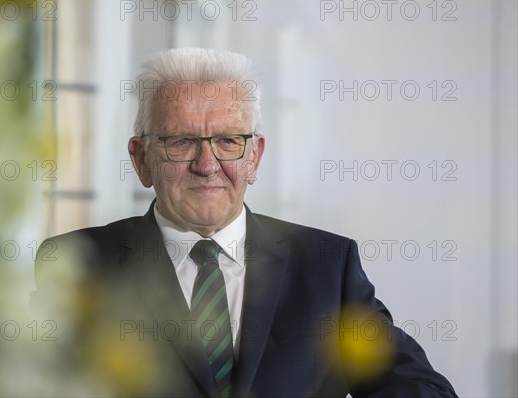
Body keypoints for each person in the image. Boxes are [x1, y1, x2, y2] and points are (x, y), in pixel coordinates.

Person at [32, 47, 457, 397]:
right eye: (181, 141)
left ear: (254, 157)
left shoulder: (326, 265)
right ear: (141, 159)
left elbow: (423, 389)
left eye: (228, 141)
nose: (207, 164)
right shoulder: (77, 262)